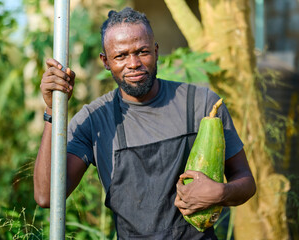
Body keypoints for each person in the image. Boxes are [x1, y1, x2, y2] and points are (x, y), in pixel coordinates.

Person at [34, 7, 256, 239]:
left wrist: (221, 192)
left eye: (142, 52)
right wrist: (52, 110)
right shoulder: (94, 119)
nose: (133, 63)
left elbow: (246, 182)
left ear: (156, 51)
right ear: (106, 61)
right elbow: (46, 196)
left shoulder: (202, 106)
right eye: (120, 56)